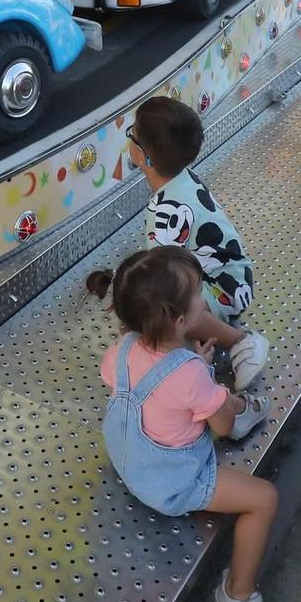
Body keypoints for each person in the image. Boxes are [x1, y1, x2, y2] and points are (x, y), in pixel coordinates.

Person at [88, 247, 282, 602]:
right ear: (179, 320)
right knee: (263, 498)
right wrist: (205, 377)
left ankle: (241, 403)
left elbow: (150, 386)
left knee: (210, 401)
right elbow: (223, 429)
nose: (203, 298)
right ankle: (238, 595)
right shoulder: (191, 373)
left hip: (128, 460)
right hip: (173, 484)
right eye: (197, 293)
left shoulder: (119, 350)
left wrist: (191, 371)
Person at [127, 95, 270, 392]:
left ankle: (241, 342)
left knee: (167, 312)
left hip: (221, 287)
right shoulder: (185, 179)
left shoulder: (162, 211)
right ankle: (211, 332)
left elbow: (166, 284)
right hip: (235, 275)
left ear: (141, 155)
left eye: (132, 134)